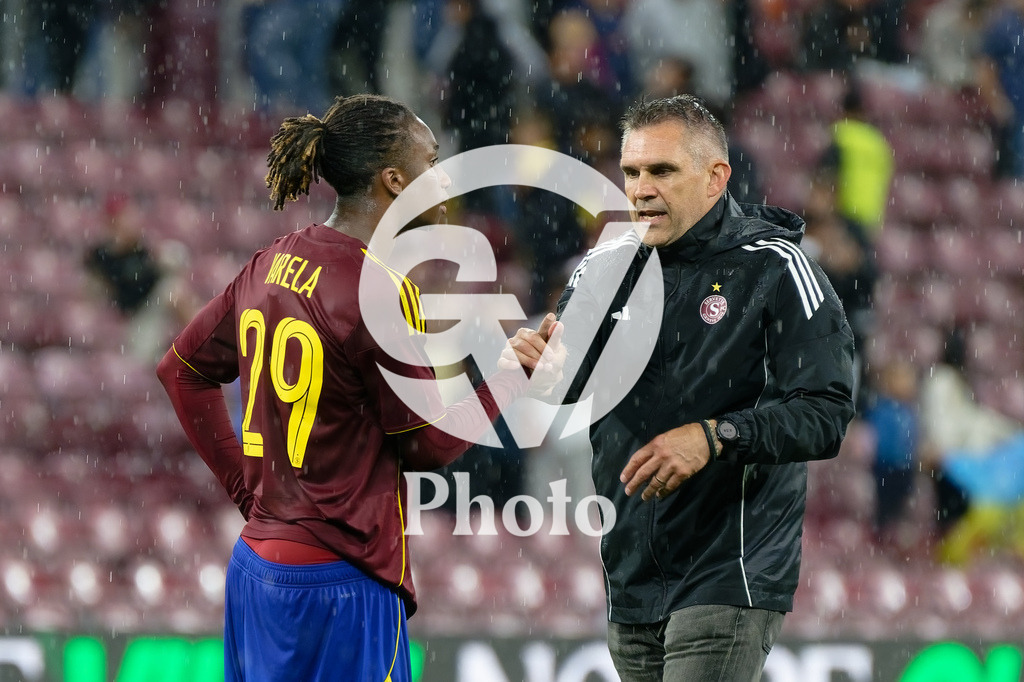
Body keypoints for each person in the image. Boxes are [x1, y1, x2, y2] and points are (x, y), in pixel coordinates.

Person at [156, 94, 562, 682]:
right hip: (342, 581)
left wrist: (252, 496)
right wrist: (508, 380)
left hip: (257, 568)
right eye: (433, 160)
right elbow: (427, 445)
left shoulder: (271, 261)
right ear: (395, 180)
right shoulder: (378, 289)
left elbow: (181, 371)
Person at [506, 95, 856, 681]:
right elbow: (564, 387)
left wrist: (715, 436)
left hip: (730, 568)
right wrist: (540, 374)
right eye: (632, 173)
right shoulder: (602, 268)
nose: (641, 189)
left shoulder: (774, 266)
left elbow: (826, 411)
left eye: (662, 171)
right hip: (632, 573)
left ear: (716, 177)